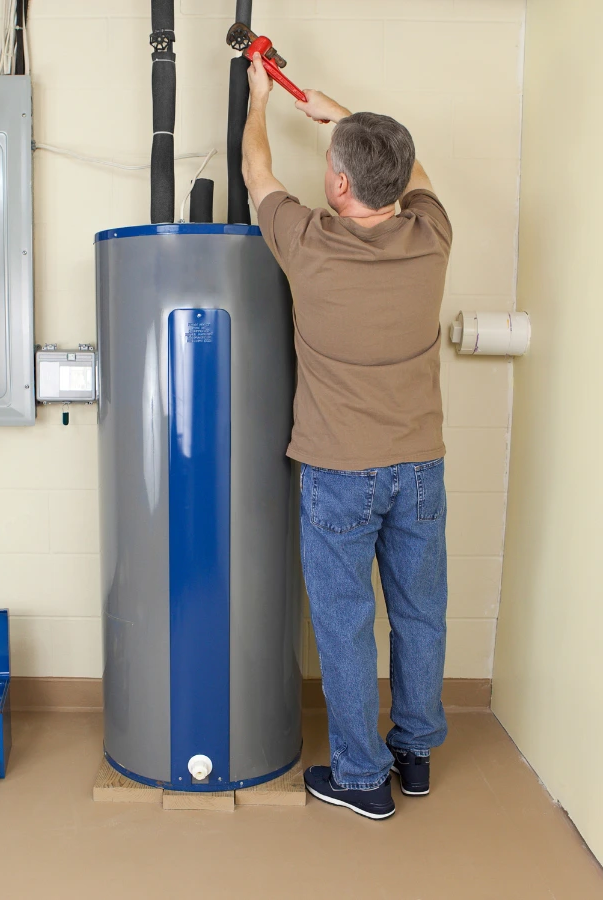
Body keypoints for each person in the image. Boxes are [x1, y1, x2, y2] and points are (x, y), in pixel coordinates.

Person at [242, 53, 453, 820]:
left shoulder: (306, 243)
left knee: (345, 625)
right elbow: (414, 168)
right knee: (421, 612)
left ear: (336, 186)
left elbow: (256, 171)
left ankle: (362, 780)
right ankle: (416, 753)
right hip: (420, 469)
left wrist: (261, 99)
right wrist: (346, 116)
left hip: (339, 473)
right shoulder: (433, 234)